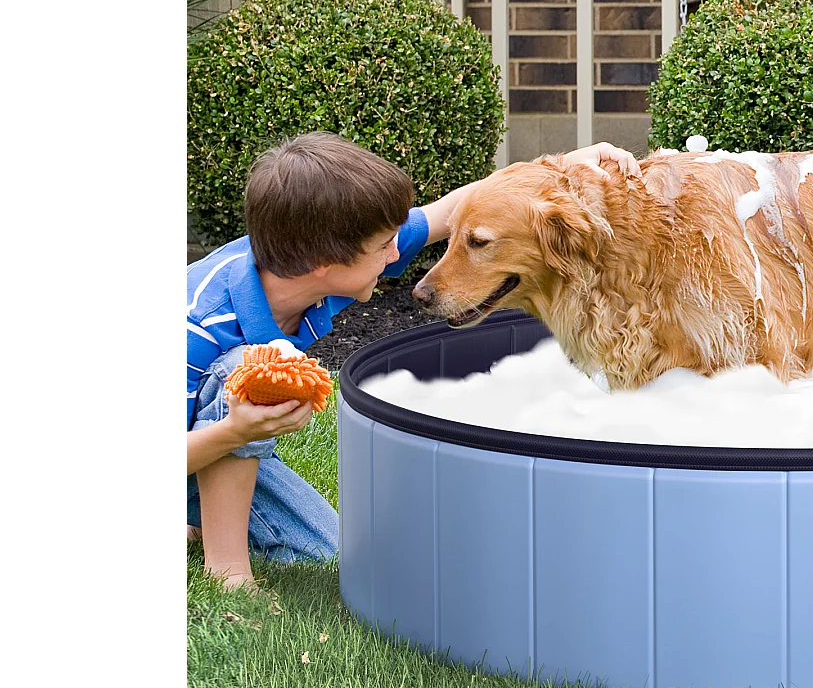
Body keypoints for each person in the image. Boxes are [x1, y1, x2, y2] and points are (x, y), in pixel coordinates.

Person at [186, 131, 640, 588]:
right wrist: (235, 431)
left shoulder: (308, 267)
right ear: (323, 260)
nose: (399, 251)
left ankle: (197, 513)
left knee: (327, 551)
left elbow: (446, 213)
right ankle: (227, 569)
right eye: (385, 244)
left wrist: (561, 167)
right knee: (242, 366)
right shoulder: (198, 326)